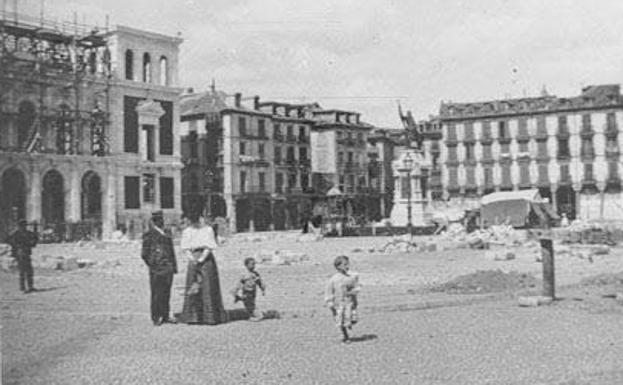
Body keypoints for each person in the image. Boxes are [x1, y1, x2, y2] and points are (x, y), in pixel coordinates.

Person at [178, 213, 227, 325]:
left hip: (206, 259)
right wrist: (192, 259)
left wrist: (201, 259)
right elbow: (185, 247)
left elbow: (209, 246)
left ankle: (210, 317)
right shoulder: (187, 231)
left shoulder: (208, 230)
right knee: (193, 286)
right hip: (193, 258)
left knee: (207, 286)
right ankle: (193, 317)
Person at [141, 211, 178, 326]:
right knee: (156, 293)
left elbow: (171, 252)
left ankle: (165, 315)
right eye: (157, 220)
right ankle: (156, 316)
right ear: (154, 221)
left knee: (167, 292)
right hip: (156, 268)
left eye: (161, 219)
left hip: (168, 268)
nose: (160, 222)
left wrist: (174, 266)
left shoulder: (167, 233)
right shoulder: (149, 235)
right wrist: (153, 264)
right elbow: (144, 253)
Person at [324, 255, 361, 343]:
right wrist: (330, 303)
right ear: (338, 266)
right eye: (345, 265)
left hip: (350, 303)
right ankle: (345, 336)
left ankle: (349, 324)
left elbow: (356, 287)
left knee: (352, 319)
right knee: (341, 321)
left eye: (348, 264)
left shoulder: (351, 277)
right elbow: (329, 291)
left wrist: (354, 292)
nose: (347, 266)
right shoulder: (333, 279)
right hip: (339, 304)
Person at [7, 219, 38, 293]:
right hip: (20, 254)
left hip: (27, 253)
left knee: (29, 270)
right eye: (22, 225)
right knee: (22, 271)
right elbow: (10, 241)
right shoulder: (16, 234)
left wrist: (32, 242)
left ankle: (30, 286)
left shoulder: (28, 233)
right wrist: (18, 247)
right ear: (19, 226)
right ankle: (22, 287)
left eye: (25, 225)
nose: (24, 227)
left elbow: (34, 240)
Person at [231, 257, 266, 321]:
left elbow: (259, 282)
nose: (253, 266)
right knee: (249, 304)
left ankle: (255, 315)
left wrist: (262, 289)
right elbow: (240, 283)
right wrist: (236, 290)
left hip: (253, 292)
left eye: (254, 264)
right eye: (252, 264)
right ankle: (258, 316)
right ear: (246, 265)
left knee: (250, 304)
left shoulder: (255, 274)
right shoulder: (244, 274)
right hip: (246, 291)